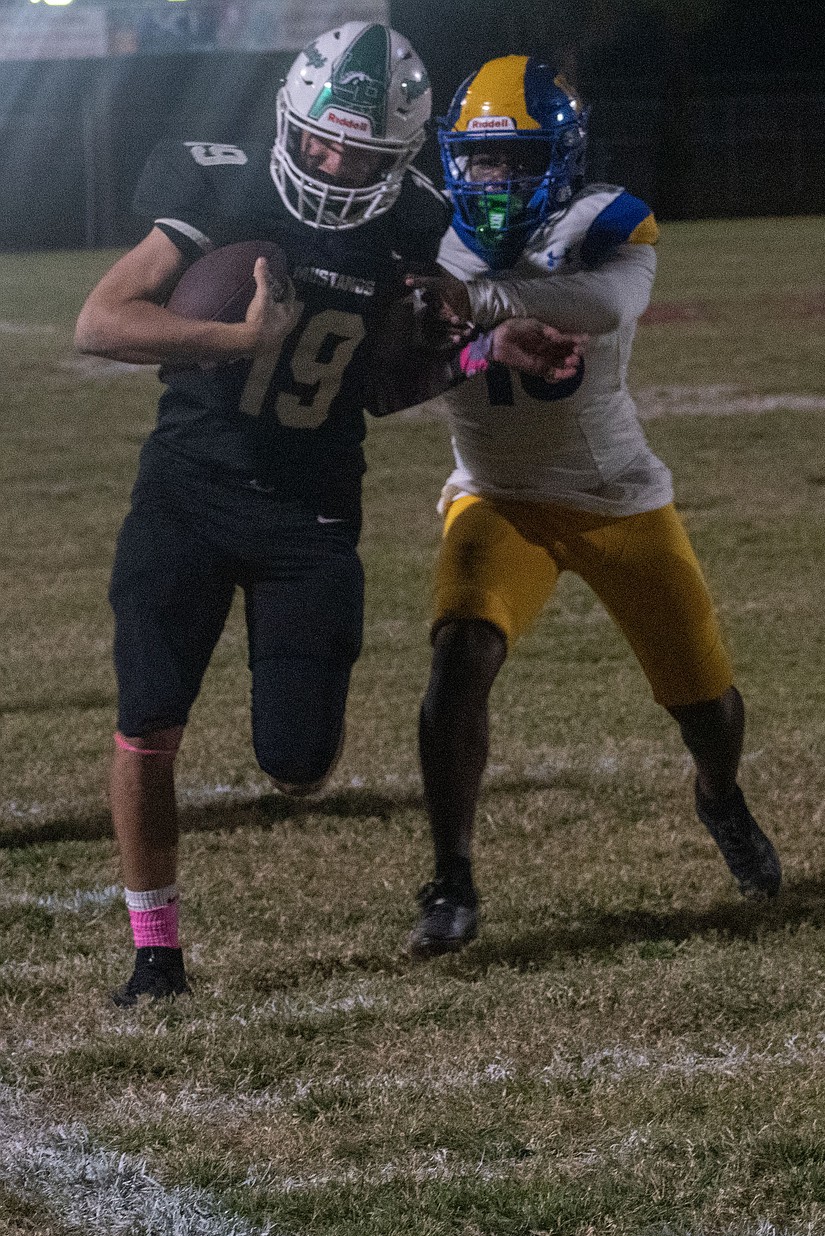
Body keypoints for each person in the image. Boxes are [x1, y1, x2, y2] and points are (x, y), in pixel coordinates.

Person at [74, 26, 581, 1004]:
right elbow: (102, 321)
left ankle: (256, 783)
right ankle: (155, 954)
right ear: (290, 122)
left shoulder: (411, 227)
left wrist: (483, 347)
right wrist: (234, 336)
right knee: (147, 724)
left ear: (400, 158)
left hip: (309, 517)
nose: (338, 163)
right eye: (322, 141)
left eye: (364, 152)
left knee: (299, 763)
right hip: (185, 493)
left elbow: (385, 382)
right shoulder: (219, 184)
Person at [405, 55, 781, 958]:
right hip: (495, 499)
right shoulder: (418, 232)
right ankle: (450, 875)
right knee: (461, 654)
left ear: (562, 158)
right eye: (479, 160)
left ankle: (718, 794)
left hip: (617, 499)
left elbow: (605, 304)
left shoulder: (605, 224)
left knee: (706, 704)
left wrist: (471, 299)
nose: (492, 180)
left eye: (517, 160)